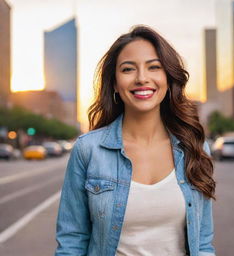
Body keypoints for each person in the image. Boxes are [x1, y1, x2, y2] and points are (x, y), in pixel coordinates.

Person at [55, 25, 216, 256]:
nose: (142, 78)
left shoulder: (195, 148)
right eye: (128, 69)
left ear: (168, 78)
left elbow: (203, 244)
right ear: (114, 83)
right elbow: (72, 242)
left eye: (154, 67)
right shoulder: (88, 150)